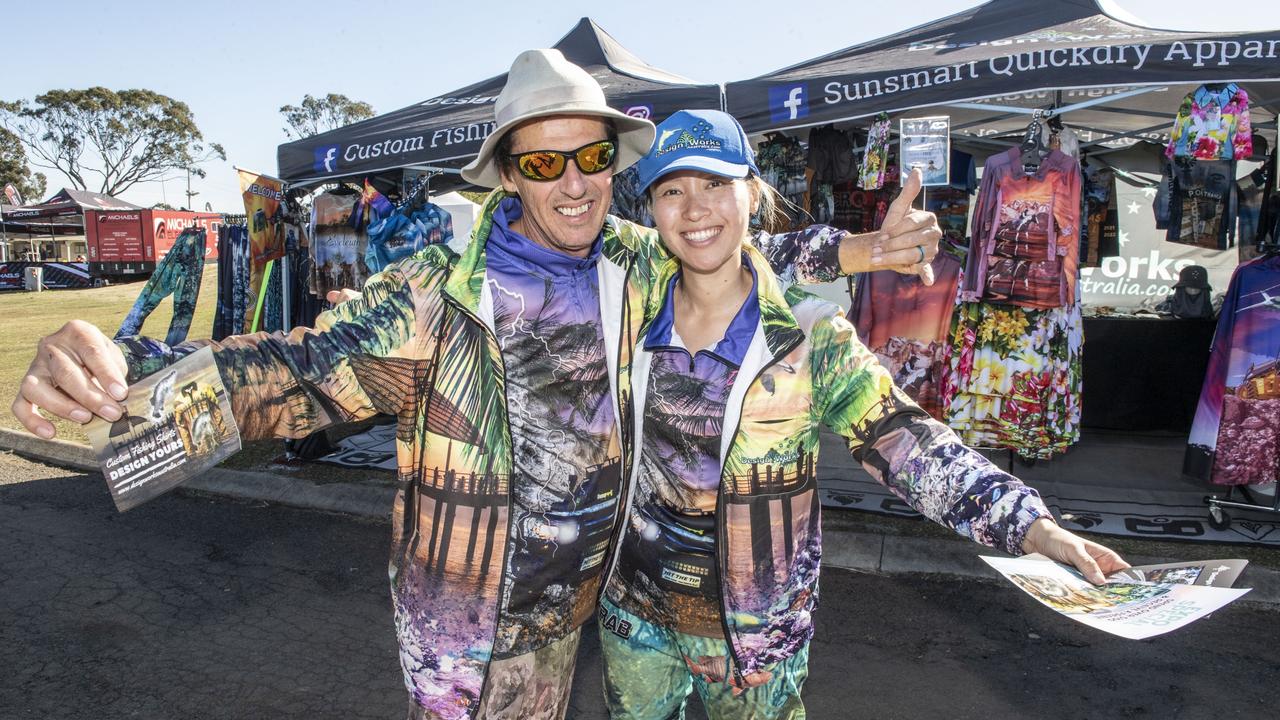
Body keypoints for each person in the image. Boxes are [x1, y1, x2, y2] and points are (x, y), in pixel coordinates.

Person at [11, 51, 941, 720]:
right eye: (543, 162)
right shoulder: (434, 298)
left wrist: (857, 249)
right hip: (471, 639)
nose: (573, 183)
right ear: (507, 175)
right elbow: (289, 373)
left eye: (591, 158)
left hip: (572, 622)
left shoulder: (632, 262)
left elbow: (732, 250)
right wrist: (120, 390)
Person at [596, 110, 1128, 719]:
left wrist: (1034, 528)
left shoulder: (810, 338)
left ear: (752, 191)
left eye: (716, 184)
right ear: (652, 209)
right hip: (635, 615)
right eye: (672, 190)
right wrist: (863, 248)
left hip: (755, 639)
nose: (694, 209)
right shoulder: (630, 295)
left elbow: (908, 441)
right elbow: (554, 217)